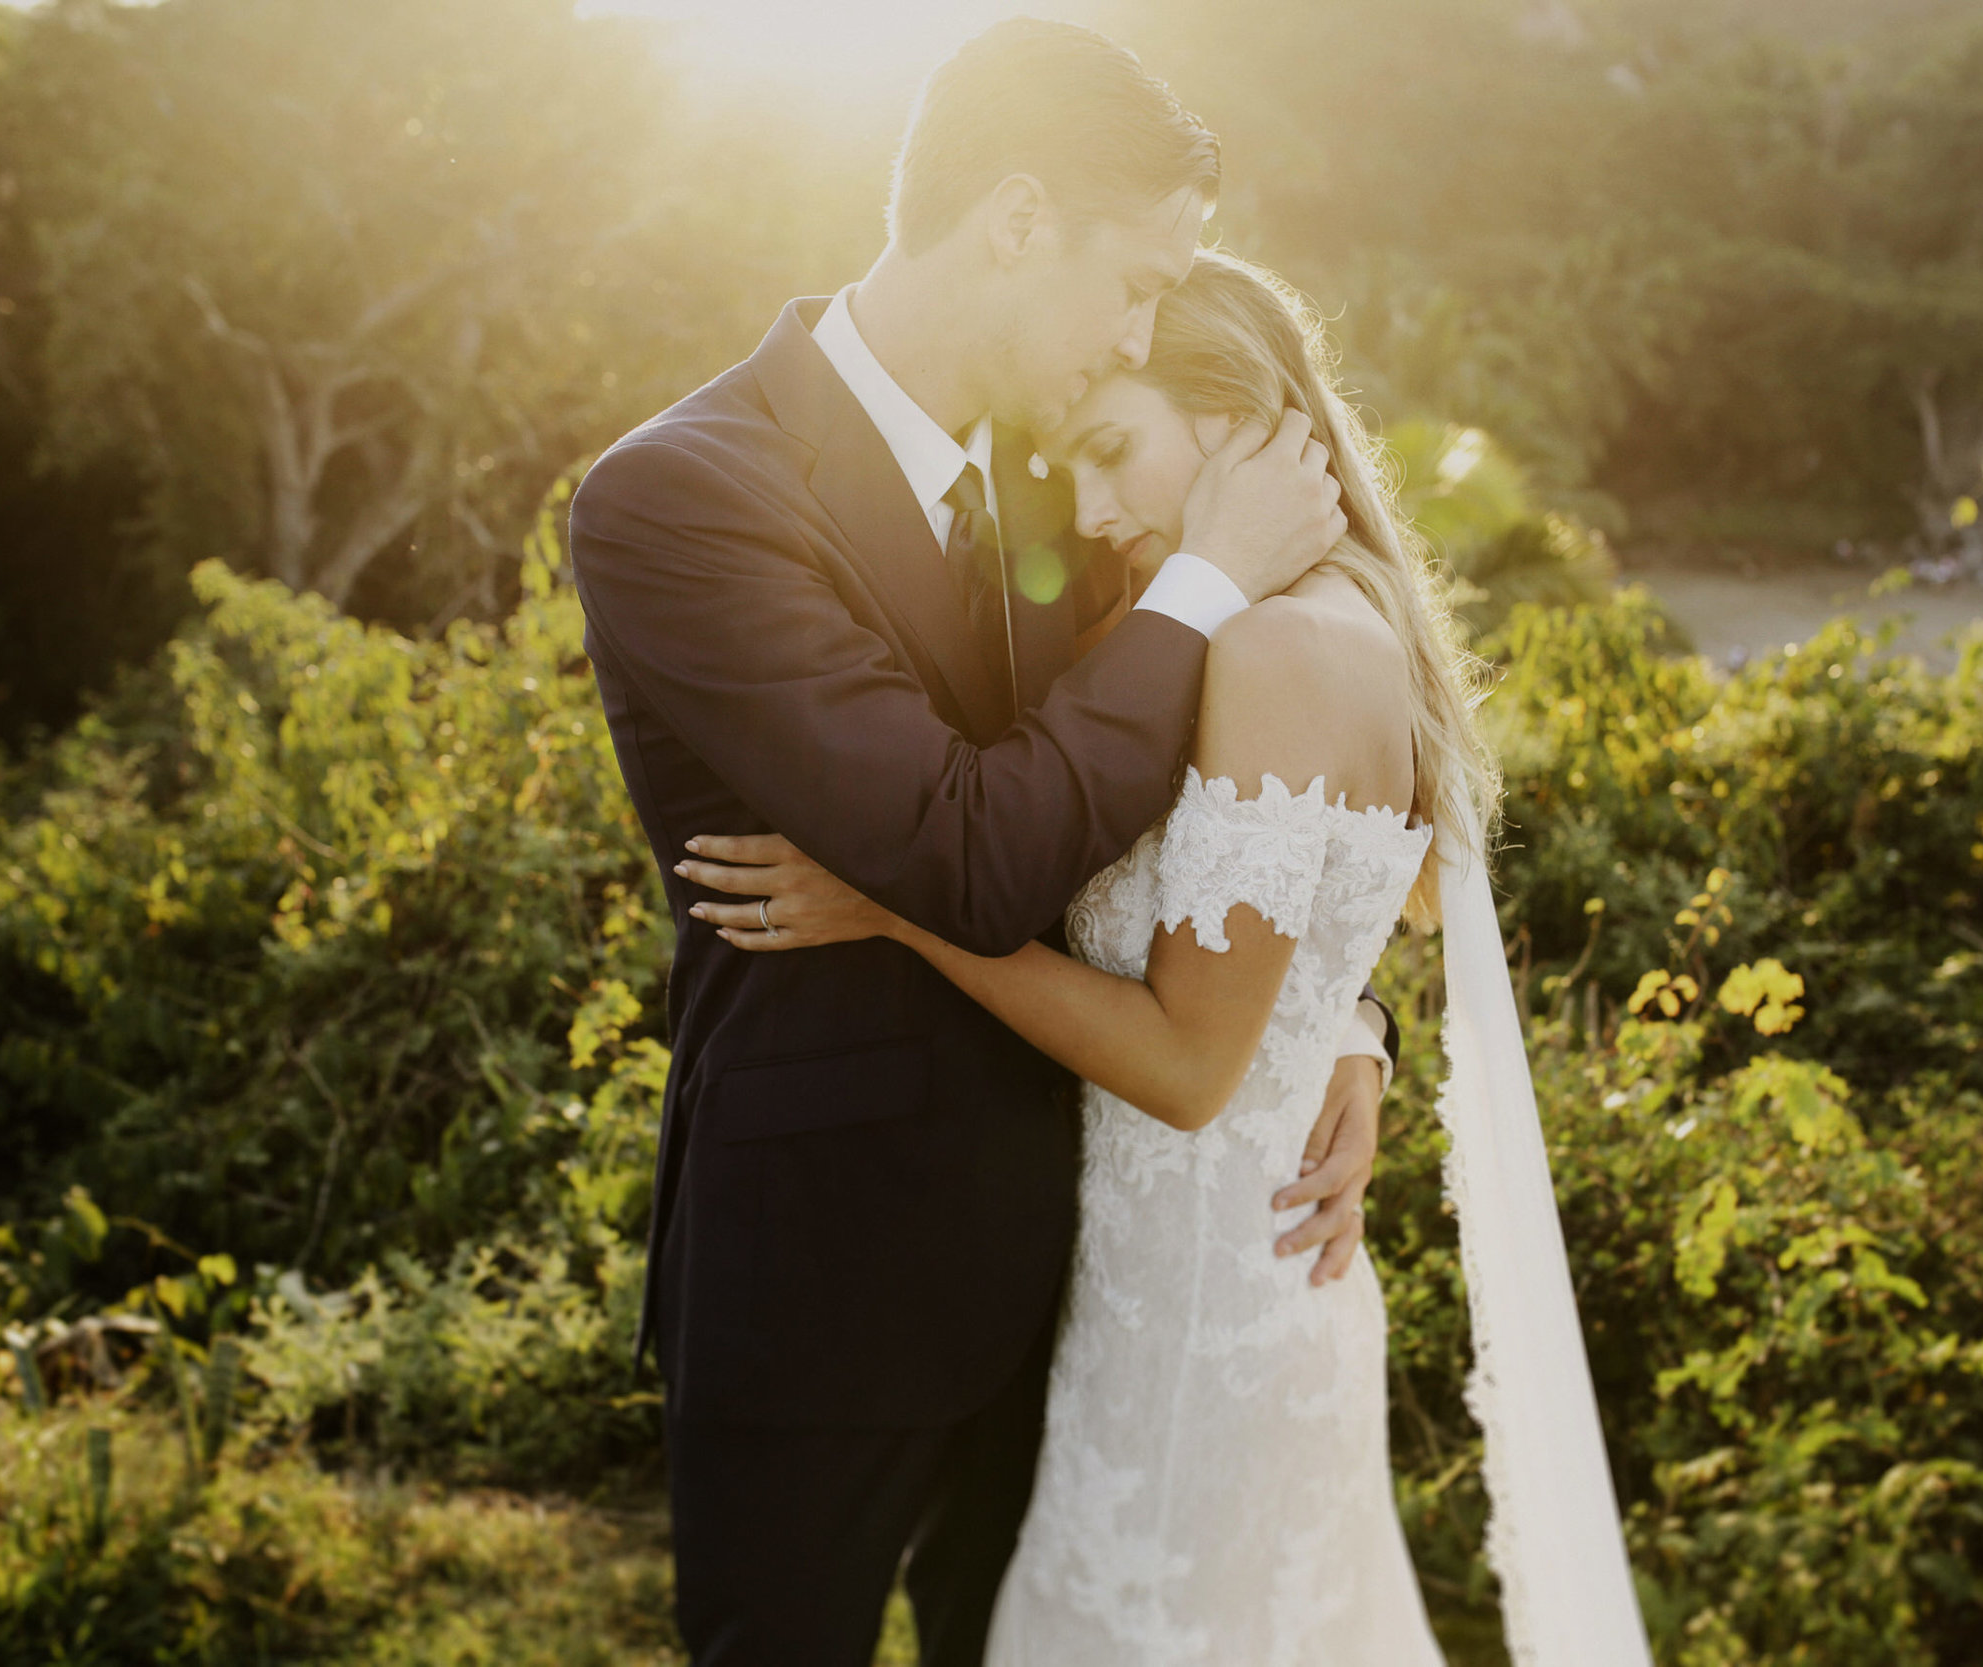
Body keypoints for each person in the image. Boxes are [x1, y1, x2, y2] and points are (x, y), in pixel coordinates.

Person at [566, 22, 1402, 1666]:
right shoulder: (685, 495)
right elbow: (971, 854)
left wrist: (1345, 1023)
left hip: (1080, 1281)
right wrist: (1204, 582)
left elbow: (1246, 799)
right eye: (1138, 282)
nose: (1142, 332)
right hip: (819, 1269)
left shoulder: (1064, 469)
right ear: (1019, 222)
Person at [691, 252, 1654, 1661]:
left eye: (1112, 449)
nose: (1087, 506)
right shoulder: (1300, 626)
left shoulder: (1271, 649)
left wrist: (902, 907)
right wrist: (1350, 1034)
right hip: (1166, 1302)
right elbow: (1300, 951)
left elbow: (1192, 1063)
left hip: (1205, 1330)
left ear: (1246, 420)